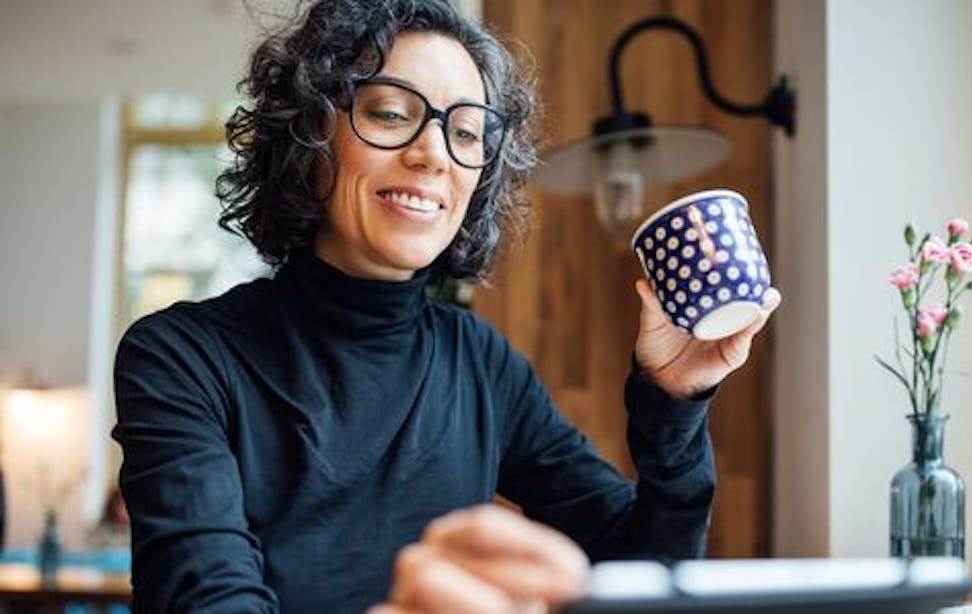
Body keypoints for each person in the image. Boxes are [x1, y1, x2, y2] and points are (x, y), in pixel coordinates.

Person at [111, 0, 781, 612]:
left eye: (467, 131)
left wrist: (674, 402)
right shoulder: (181, 357)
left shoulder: (480, 363)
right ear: (309, 138)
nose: (434, 154)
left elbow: (645, 568)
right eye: (391, 113)